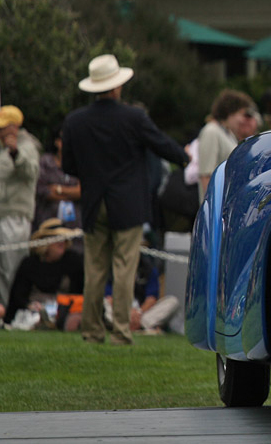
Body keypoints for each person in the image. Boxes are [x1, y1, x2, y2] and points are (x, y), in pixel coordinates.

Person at [61, 54, 187, 345]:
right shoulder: (133, 117)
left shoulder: (75, 121)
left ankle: (91, 330)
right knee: (124, 267)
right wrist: (185, 158)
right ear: (117, 87)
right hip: (127, 203)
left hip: (93, 202)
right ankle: (120, 330)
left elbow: (68, 166)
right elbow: (162, 144)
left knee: (94, 268)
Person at [0, 105, 41, 308]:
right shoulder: (1, 147)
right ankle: (7, 311)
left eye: (1, 127)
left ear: (13, 127)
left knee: (13, 268)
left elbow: (31, 172)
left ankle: (18, 311)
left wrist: (15, 152)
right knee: (0, 269)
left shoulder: (26, 145)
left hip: (12, 217)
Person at [2, 218, 84, 329]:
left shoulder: (73, 261)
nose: (61, 242)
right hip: (34, 311)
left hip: (64, 310)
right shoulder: (30, 263)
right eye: (56, 238)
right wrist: (30, 305)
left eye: (63, 238)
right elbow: (18, 295)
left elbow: (81, 291)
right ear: (45, 242)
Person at [196, 90, 255, 201]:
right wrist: (213, 206)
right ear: (230, 112)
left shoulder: (227, 133)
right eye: (241, 114)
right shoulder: (211, 132)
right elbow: (206, 175)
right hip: (217, 204)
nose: (243, 120)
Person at [34, 125, 82, 232]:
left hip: (75, 226)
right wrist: (72, 193)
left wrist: (59, 189)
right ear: (56, 141)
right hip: (48, 221)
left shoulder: (81, 162)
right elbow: (43, 191)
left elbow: (83, 191)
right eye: (63, 139)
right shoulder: (45, 162)